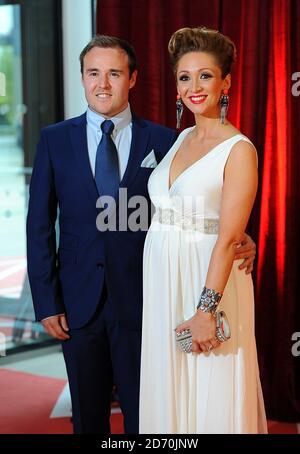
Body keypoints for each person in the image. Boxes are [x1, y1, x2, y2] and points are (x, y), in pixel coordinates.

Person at [26, 34, 256, 434]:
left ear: (132, 79)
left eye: (114, 73)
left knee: (149, 413)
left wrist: (239, 236)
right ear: (81, 78)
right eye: (93, 73)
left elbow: (196, 202)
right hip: (79, 301)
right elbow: (39, 226)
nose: (102, 83)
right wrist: (46, 300)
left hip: (148, 298)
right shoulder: (54, 139)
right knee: (87, 415)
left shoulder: (168, 139)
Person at [139, 27, 267, 434]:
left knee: (213, 384)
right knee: (172, 386)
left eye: (205, 76)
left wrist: (205, 310)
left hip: (207, 281)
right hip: (164, 280)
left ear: (226, 82)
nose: (194, 87)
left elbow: (229, 237)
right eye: (184, 77)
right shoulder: (180, 140)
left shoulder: (240, 149)